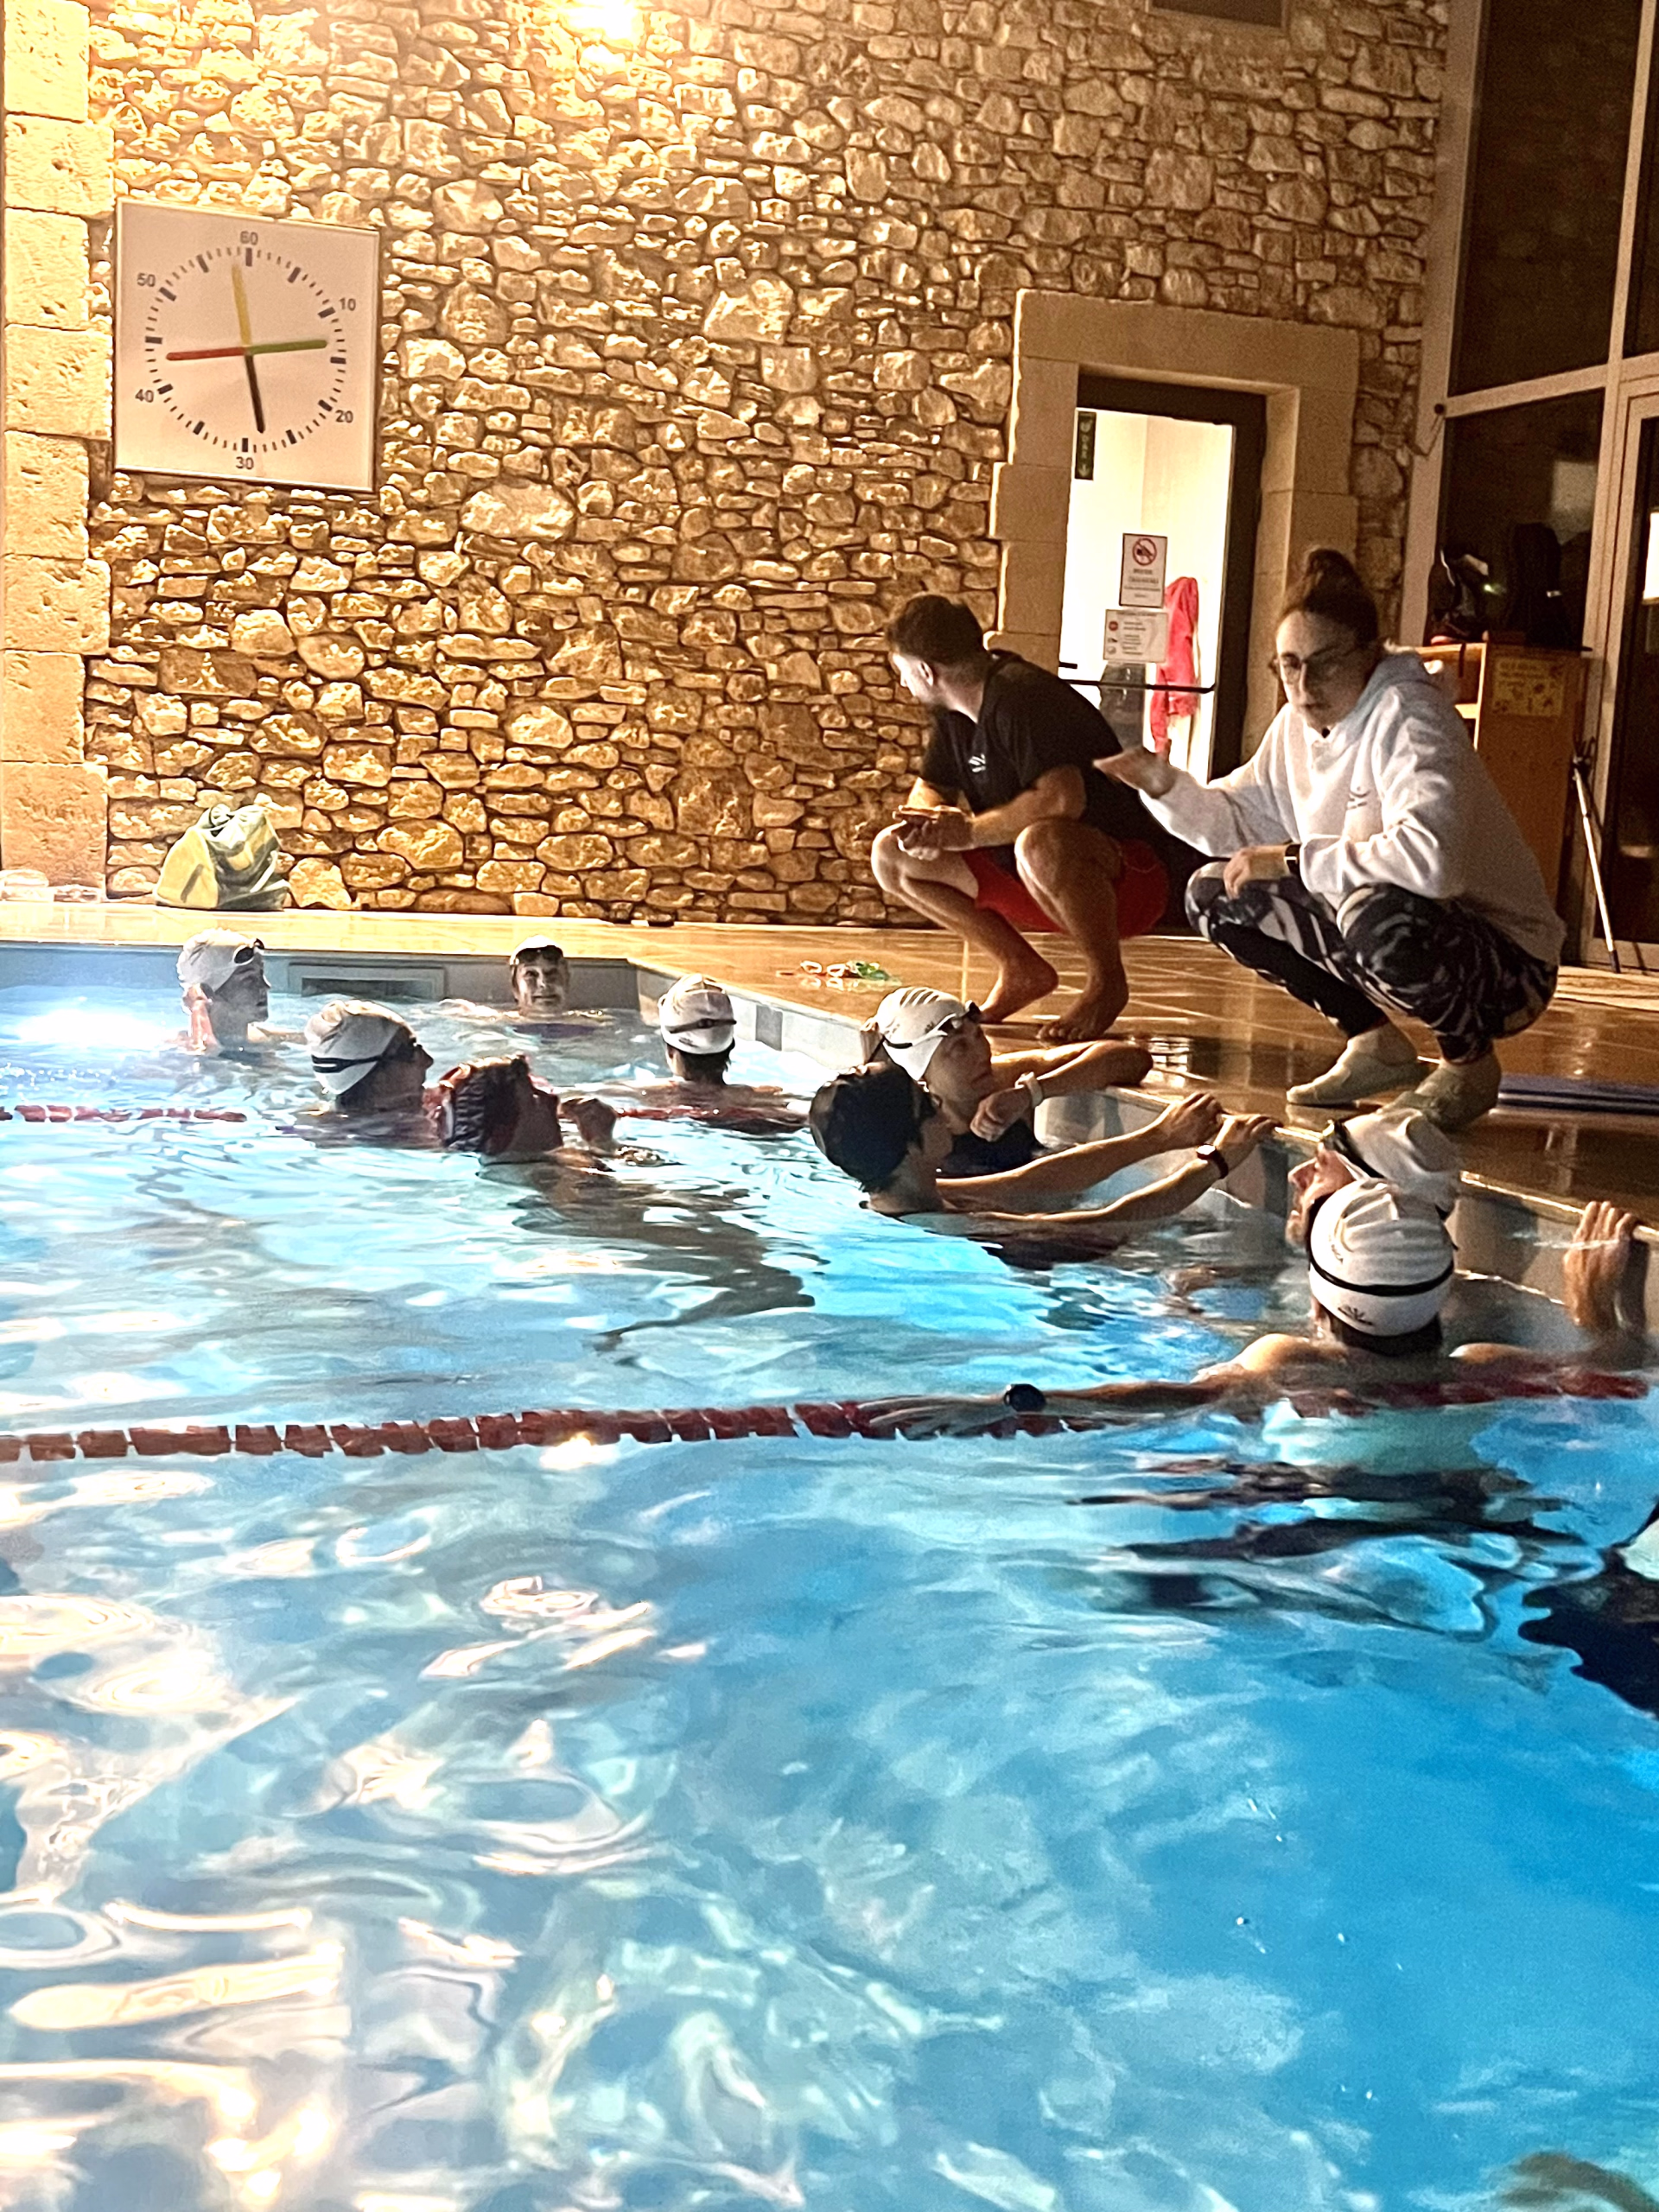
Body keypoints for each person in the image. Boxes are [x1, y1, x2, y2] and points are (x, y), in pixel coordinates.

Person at [1099, 549, 1565, 1131]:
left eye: (1324, 664)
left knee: (1374, 910)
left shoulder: (1410, 718)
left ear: (1369, 655)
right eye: (1289, 665)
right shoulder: (1296, 727)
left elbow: (1433, 863)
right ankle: (1374, 1043)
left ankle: (1468, 1064)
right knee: (1215, 892)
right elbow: (1237, 825)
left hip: (1509, 969)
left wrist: (1295, 859)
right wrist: (1162, 783)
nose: (1303, 685)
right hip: (1403, 928)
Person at [867, 1198, 1646, 1433]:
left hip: (1312, 1526)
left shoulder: (1289, 1363)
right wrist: (1597, 1313)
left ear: (1319, 1296)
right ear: (1444, 1294)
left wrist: (1016, 1404)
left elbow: (1169, 1399)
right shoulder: (1488, 1369)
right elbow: (1614, 1369)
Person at [872, 594, 1171, 1043]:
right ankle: (1020, 967)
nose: (902, 682)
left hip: (1123, 881)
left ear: (927, 671)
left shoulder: (1022, 697)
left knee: (1040, 841)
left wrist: (968, 833)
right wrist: (926, 826)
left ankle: (1106, 981)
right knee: (890, 854)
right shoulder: (954, 715)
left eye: (902, 670)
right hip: (1031, 877)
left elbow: (1062, 800)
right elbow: (931, 786)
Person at [808, 1059, 1273, 1230]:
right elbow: (1107, 1224)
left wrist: (1159, 1137)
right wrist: (1214, 1163)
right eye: (926, 1102)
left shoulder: (902, 1194)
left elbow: (1028, 1182)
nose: (939, 1102)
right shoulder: (958, 1229)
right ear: (910, 1146)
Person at [864, 985, 1153, 1178]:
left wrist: (1031, 1093)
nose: (981, 1053)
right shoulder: (908, 1125)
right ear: (919, 1072)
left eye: (978, 1035)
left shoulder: (1006, 1079)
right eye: (959, 1048)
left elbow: (1131, 1059)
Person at [429, 1055, 617, 1162]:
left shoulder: (521, 1168)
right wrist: (603, 1144)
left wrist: (600, 1139)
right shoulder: (548, 1179)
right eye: (533, 1097)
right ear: (506, 1129)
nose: (552, 1100)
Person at [303, 1000, 433, 1117]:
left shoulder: (317, 1126)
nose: (428, 1061)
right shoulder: (419, 1130)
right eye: (410, 1053)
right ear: (378, 1079)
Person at [176, 931, 272, 1052]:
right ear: (207, 993)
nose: (265, 986)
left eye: (261, 974)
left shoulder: (268, 1040)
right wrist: (199, 1006)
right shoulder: (176, 1052)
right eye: (249, 979)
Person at [509, 937, 570, 1017]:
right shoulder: (499, 1023)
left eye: (552, 973)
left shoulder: (585, 1023)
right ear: (515, 987)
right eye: (531, 975)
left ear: (566, 981)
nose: (544, 984)